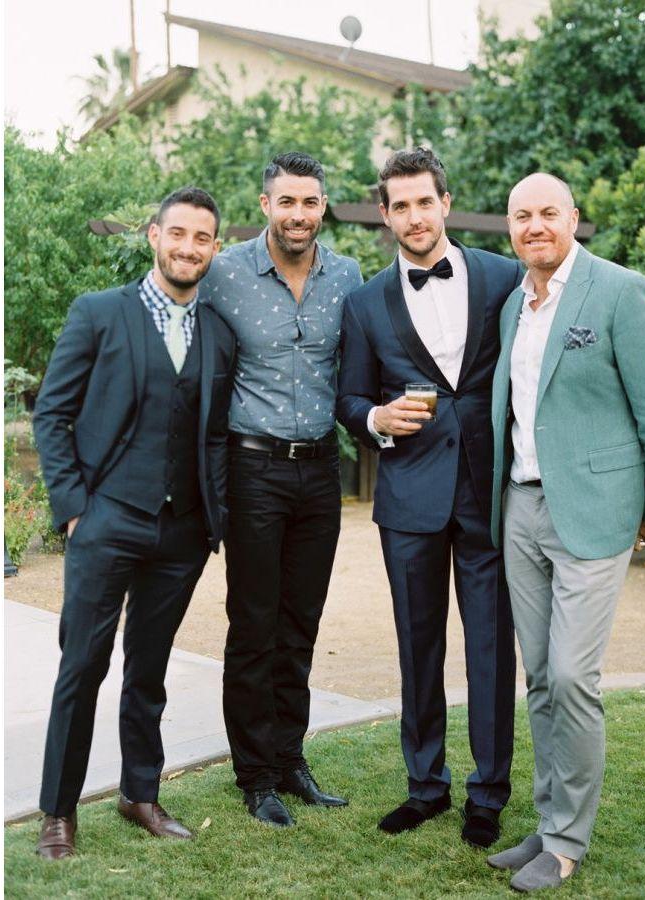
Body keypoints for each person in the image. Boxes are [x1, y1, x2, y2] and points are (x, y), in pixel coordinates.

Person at [31, 186, 236, 859]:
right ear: (154, 236)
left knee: (149, 669)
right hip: (106, 520)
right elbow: (52, 413)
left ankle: (139, 793)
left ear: (214, 247)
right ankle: (58, 812)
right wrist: (74, 509)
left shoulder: (218, 331)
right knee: (82, 667)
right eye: (177, 233)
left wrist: (212, 520)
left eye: (201, 238)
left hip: (182, 533)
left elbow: (213, 434)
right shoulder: (99, 312)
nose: (188, 248)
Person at [485, 173, 645, 892]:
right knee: (539, 678)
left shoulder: (620, 292)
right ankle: (548, 822)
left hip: (595, 512)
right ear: (510, 227)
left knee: (571, 677)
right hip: (521, 509)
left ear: (573, 218)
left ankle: (567, 841)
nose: (534, 226)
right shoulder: (514, 305)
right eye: (521, 216)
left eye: (548, 213)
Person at [336, 147, 520, 848]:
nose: (414, 217)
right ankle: (425, 787)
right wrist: (378, 419)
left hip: (488, 492)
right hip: (409, 498)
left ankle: (488, 793)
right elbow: (350, 398)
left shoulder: (503, 277)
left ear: (445, 202)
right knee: (418, 648)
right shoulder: (364, 304)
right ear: (385, 215)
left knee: (490, 649)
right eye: (400, 206)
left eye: (424, 201)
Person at [198, 152, 363, 827]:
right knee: (254, 623)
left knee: (300, 623)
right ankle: (256, 775)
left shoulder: (347, 276)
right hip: (253, 469)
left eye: (310, 202)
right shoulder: (225, 273)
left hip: (320, 472)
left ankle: (291, 760)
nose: (299, 214)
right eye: (287, 201)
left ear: (323, 208)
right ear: (266, 204)